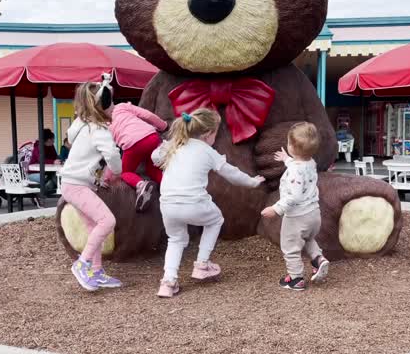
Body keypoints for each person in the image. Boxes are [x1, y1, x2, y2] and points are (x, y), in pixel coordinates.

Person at [153, 108, 265, 298]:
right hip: (194, 203)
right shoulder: (207, 151)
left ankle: (168, 282)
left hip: (168, 205)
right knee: (215, 220)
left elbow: (155, 158)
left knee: (176, 239)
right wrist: (253, 181)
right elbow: (232, 174)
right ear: (208, 134)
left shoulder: (175, 146)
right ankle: (202, 264)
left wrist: (168, 145)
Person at [59, 77, 123, 291]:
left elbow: (72, 133)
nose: (114, 107)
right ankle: (82, 264)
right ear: (102, 106)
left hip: (72, 184)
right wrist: (117, 170)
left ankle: (96, 271)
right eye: (111, 103)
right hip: (77, 185)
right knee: (107, 221)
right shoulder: (100, 131)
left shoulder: (82, 126)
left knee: (94, 226)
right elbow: (113, 156)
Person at [261, 122, 329, 291]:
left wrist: (276, 209)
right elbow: (299, 166)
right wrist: (287, 160)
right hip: (314, 214)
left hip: (298, 216)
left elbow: (294, 194)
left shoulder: (294, 171)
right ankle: (318, 259)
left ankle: (296, 278)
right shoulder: (310, 162)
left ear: (291, 146)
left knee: (290, 247)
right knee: (307, 238)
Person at [109, 100, 167, 212]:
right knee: (152, 169)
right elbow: (147, 115)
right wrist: (163, 125)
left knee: (126, 172)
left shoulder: (103, 123)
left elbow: (111, 151)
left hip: (133, 145)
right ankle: (171, 187)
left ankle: (141, 185)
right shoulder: (121, 106)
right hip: (152, 136)